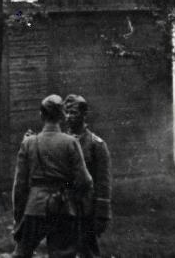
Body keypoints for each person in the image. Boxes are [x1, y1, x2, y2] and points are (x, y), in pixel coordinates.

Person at [12, 94, 93, 258]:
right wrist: (68, 189)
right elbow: (85, 180)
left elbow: (19, 186)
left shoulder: (28, 143)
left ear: (41, 115)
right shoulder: (71, 142)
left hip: (35, 206)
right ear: (62, 116)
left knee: (22, 253)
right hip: (63, 207)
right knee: (62, 254)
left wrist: (19, 216)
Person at [64, 94, 112, 258]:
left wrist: (102, 214)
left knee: (88, 252)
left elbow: (103, 182)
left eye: (74, 113)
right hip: (63, 207)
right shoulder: (61, 142)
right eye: (67, 112)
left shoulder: (96, 144)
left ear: (84, 115)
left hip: (86, 209)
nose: (69, 117)